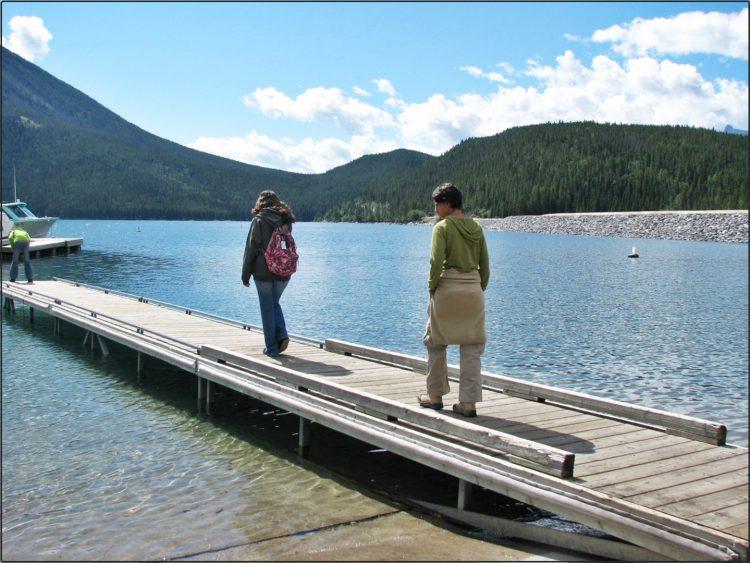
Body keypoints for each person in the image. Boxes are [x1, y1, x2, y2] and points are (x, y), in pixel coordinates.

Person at [418, 183, 489, 417]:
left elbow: (435, 262)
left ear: (448, 204)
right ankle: (468, 403)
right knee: (471, 347)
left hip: (447, 288)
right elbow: (485, 266)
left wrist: (432, 288)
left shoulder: (442, 228)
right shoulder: (477, 228)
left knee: (436, 342)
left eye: (437, 204)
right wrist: (478, 288)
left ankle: (435, 396)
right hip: (473, 290)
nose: (435, 208)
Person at [241, 190, 296, 357]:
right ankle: (282, 335)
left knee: (267, 308)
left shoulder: (258, 220)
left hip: (263, 272)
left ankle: (272, 348)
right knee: (273, 304)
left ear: (260, 203)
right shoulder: (286, 220)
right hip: (283, 271)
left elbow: (250, 248)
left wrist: (245, 274)